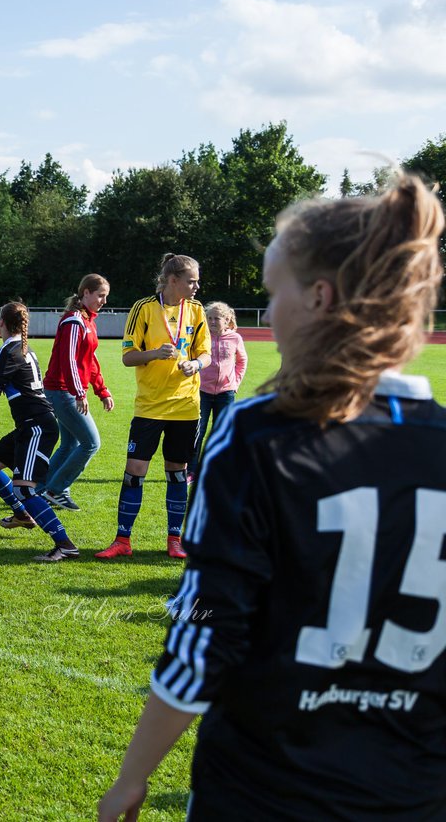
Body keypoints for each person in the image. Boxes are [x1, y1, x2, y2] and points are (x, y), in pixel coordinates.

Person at [98, 174, 446, 820]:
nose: (266, 315)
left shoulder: (256, 437)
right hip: (413, 797)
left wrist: (132, 776)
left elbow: (204, 636)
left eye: (271, 293)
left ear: (319, 297)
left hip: (263, 791)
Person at [95, 254, 211, 561]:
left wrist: (195, 364)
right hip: (149, 407)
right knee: (134, 473)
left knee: (177, 473)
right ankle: (123, 540)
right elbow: (127, 356)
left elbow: (206, 354)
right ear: (173, 280)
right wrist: (155, 353)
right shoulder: (143, 308)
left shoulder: (197, 310)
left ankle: (175, 540)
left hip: (186, 407)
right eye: (191, 280)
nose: (197, 286)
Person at [0, 302, 77, 562]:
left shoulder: (7, 350)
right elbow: (15, 380)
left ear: (1, 322)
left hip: (37, 427)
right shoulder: (22, 348)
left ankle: (65, 544)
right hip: (29, 424)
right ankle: (22, 514)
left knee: (24, 489)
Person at [38, 274, 115, 512]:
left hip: (66, 390)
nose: (104, 301)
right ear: (86, 293)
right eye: (100, 295)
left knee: (70, 444)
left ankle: (39, 490)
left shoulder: (87, 320)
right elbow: (69, 359)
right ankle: (56, 490)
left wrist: (101, 390)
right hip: (61, 391)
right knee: (91, 443)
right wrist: (79, 392)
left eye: (106, 296)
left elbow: (89, 360)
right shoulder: (74, 321)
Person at [188, 300, 247, 482]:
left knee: (221, 433)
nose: (212, 322)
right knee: (198, 431)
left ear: (227, 319)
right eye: (210, 318)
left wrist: (235, 383)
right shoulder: (201, 336)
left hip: (226, 393)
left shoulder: (235, 338)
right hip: (202, 392)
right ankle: (192, 471)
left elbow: (242, 361)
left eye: (217, 319)